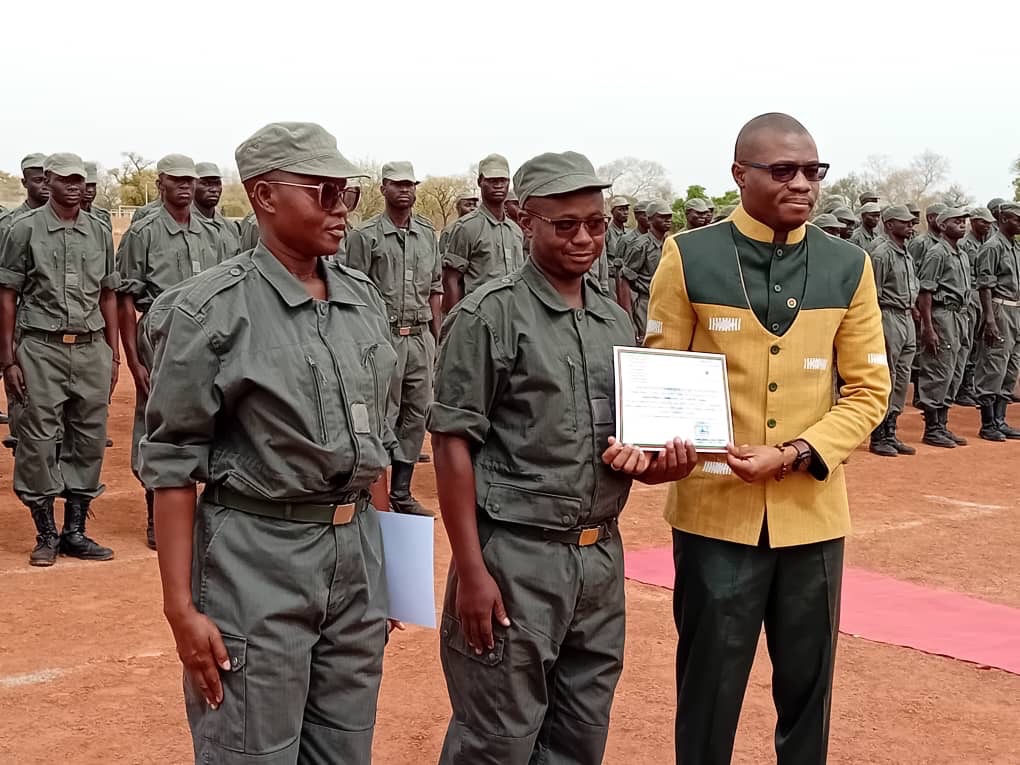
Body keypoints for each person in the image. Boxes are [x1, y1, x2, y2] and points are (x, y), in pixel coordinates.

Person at [428, 150, 696, 765]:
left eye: (596, 223)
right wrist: (472, 574)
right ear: (527, 221)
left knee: (580, 737)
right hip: (517, 559)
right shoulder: (488, 315)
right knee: (496, 741)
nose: (584, 238)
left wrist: (664, 466)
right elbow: (452, 446)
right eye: (565, 224)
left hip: (599, 558)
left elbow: (622, 447)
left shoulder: (613, 320)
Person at [141, 121, 397, 764]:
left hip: (354, 553)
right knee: (252, 749)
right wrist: (180, 608)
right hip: (257, 560)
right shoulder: (209, 311)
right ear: (263, 195)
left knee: (344, 747)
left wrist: (386, 571)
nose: (341, 209)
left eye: (348, 193)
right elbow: (173, 465)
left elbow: (377, 444)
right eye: (324, 191)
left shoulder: (361, 300)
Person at [645, 113, 890, 765]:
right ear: (739, 176)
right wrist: (658, 445)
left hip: (812, 519)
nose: (803, 184)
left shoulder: (848, 265)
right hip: (713, 515)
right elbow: (662, 373)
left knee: (809, 697)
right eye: (784, 170)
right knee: (708, 694)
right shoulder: (689, 255)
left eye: (814, 171)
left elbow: (868, 390)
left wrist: (795, 453)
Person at [0, 153, 119, 567]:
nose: (73, 185)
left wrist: (113, 354)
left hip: (91, 348)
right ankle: (45, 533)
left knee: (88, 438)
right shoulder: (23, 230)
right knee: (36, 440)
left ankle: (75, 530)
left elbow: (108, 293)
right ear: (47, 181)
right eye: (65, 179)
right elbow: (7, 294)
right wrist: (8, 360)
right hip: (40, 347)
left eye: (79, 179)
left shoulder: (100, 231)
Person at [116, 153, 225, 549]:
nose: (185, 186)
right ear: (160, 182)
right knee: (157, 423)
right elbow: (125, 299)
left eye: (190, 180)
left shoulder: (215, 234)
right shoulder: (143, 234)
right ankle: (155, 514)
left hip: (211, 337)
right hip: (160, 335)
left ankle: (211, 514)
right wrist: (132, 359)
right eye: (176, 180)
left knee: (214, 416)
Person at [345, 161, 441, 517]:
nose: (405, 191)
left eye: (410, 185)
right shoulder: (366, 236)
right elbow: (352, 292)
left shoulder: (428, 235)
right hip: (381, 337)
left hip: (419, 337)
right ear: (383, 188)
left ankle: (402, 491)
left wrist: (437, 337)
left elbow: (435, 288)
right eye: (397, 185)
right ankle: (374, 493)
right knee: (382, 415)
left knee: (416, 416)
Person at [915, 208, 973, 448]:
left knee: (955, 370)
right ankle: (932, 428)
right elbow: (925, 291)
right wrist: (928, 327)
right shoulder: (937, 253)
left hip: (960, 315)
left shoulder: (961, 253)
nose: (962, 225)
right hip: (943, 314)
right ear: (942, 224)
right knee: (939, 368)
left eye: (963, 222)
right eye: (956, 221)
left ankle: (943, 423)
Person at [441, 153, 525, 312]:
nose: (498, 185)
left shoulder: (515, 231)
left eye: (503, 180)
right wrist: (456, 323)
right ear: (480, 182)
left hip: (514, 316)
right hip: (479, 317)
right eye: (492, 180)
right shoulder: (466, 227)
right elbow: (451, 279)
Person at [868, 205, 919, 456]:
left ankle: (891, 430)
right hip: (888, 316)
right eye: (905, 222)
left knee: (902, 376)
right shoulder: (882, 254)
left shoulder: (905, 252)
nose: (911, 226)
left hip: (906, 316)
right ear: (889, 225)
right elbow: (873, 294)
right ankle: (878, 436)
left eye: (911, 223)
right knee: (887, 375)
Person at [973, 201, 1020, 441]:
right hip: (1000, 309)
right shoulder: (993, 247)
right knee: (994, 365)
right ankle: (988, 423)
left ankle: (1000, 420)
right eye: (1016, 219)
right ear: (1003, 220)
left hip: (1016, 310)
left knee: (1011, 367)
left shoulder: (1014, 247)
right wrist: (989, 318)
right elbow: (985, 286)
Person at [956, 207, 997, 407]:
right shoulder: (964, 244)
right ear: (974, 222)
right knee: (969, 341)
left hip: (983, 295)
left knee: (978, 344)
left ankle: (970, 385)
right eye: (983, 222)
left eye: (989, 223)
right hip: (970, 294)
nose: (988, 225)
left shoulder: (987, 243)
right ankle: (963, 388)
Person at [619, 199, 671, 341]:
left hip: (667, 303)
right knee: (646, 344)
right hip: (645, 304)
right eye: (662, 217)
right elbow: (624, 280)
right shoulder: (640, 245)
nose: (668, 220)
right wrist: (627, 319)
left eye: (669, 216)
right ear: (650, 219)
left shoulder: (670, 243)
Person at [194, 162, 242, 257]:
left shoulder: (231, 228)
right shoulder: (184, 226)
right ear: (192, 186)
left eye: (217, 183)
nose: (214, 189)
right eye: (205, 183)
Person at [0, 154, 51, 233]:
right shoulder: (8, 222)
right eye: (38, 180)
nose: (45, 186)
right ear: (24, 183)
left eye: (48, 180)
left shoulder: (66, 218)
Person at [439, 189, 479, 253]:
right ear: (458, 207)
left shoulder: (482, 228)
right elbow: (441, 255)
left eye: (474, 205)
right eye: (467, 205)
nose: (473, 208)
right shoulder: (449, 230)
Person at [82, 162, 112, 227]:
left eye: (93, 185)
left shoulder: (103, 217)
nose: (90, 190)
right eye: (86, 185)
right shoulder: (65, 217)